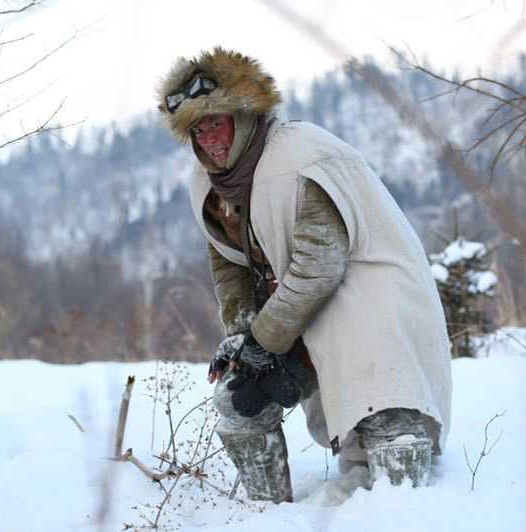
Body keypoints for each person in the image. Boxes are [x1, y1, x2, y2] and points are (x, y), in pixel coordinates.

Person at [156, 47, 452, 504]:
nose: (209, 138)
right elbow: (229, 262)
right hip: (300, 315)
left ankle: (407, 512)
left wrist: (263, 341)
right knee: (240, 402)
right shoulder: (213, 187)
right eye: (197, 129)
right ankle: (267, 514)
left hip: (373, 306)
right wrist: (242, 337)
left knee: (387, 414)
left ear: (243, 115)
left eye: (216, 122)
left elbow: (321, 262)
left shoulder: (302, 155)